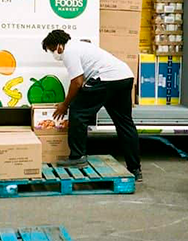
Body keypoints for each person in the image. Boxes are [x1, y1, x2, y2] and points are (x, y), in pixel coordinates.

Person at [42, 29, 142, 181]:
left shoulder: (69, 52)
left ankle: (77, 156)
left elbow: (77, 82)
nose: (54, 54)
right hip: (125, 77)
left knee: (77, 112)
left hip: (107, 79)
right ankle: (135, 169)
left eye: (51, 50)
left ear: (59, 46)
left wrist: (65, 105)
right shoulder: (81, 46)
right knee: (124, 123)